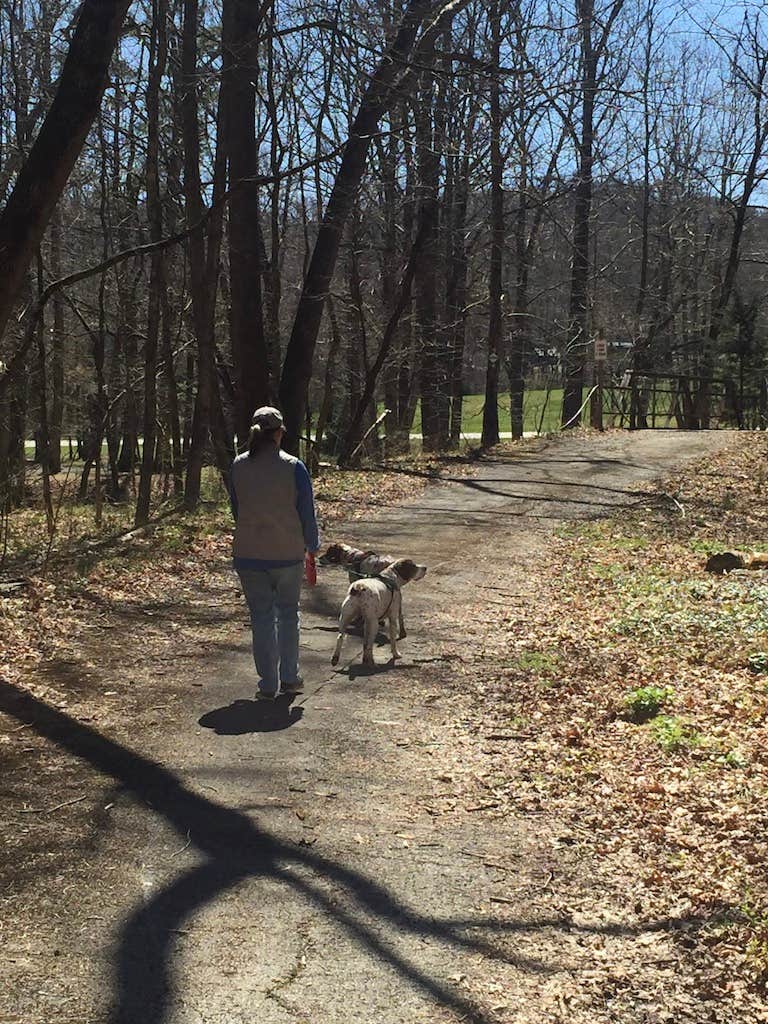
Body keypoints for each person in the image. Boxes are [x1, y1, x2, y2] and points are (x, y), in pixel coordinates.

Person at [229, 406, 320, 700]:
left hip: (248, 553)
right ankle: (290, 678)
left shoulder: (238, 465)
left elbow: (237, 509)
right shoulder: (294, 467)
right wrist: (312, 545)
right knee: (288, 616)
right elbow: (306, 512)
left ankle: (267, 684)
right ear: (279, 433)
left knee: (261, 617)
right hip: (287, 553)